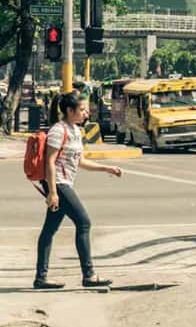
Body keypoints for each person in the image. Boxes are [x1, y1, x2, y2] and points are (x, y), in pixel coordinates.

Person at [34, 92, 123, 290]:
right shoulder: (58, 130)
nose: (86, 113)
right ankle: (89, 275)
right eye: (82, 110)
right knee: (84, 223)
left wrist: (107, 168)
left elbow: (80, 162)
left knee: (49, 231)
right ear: (69, 110)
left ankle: (41, 278)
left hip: (64, 183)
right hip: (58, 184)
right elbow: (50, 161)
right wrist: (53, 192)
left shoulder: (75, 130)